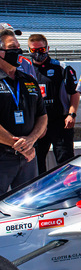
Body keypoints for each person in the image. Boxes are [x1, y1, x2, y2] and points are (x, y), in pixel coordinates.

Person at [0, 28, 47, 192]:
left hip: (28, 157)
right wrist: (20, 145)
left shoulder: (28, 80)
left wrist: (31, 141)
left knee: (29, 206)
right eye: (12, 48)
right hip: (3, 157)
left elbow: (42, 115)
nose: (18, 51)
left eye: (18, 46)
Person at [28, 34, 79, 174]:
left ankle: (69, 191)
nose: (38, 53)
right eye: (33, 50)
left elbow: (74, 93)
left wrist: (72, 114)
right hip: (36, 125)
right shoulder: (25, 70)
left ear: (48, 48)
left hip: (60, 122)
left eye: (41, 49)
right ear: (29, 50)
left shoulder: (62, 68)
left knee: (66, 162)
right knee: (36, 164)